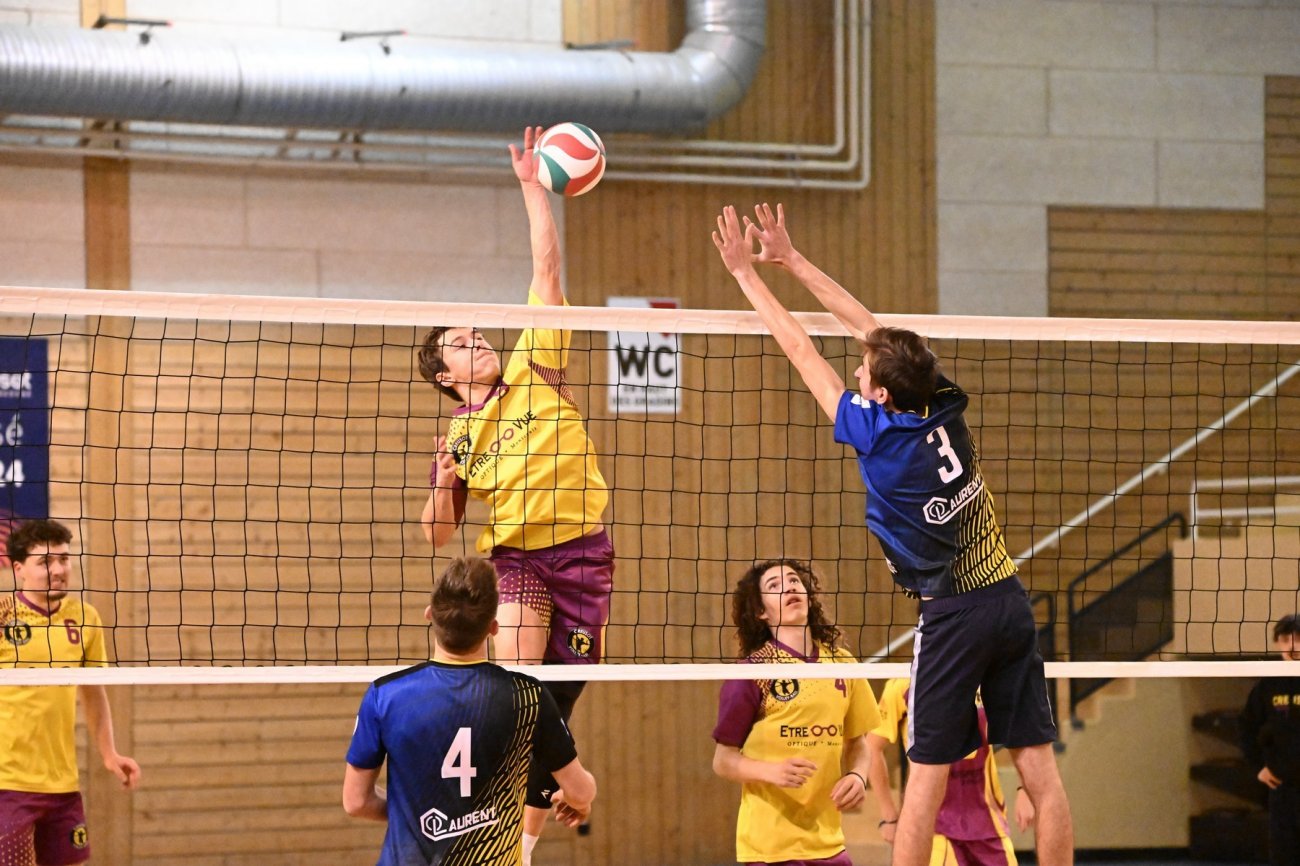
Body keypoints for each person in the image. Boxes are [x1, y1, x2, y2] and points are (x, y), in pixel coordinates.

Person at [712, 203, 1072, 866]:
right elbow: (872, 330)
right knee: (1042, 777)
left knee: (923, 787)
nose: (857, 371)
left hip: (953, 615)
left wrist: (747, 275)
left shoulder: (879, 439)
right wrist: (793, 259)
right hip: (1009, 600)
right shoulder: (942, 402)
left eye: (864, 375)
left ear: (879, 396)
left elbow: (801, 349)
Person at [417, 126, 614, 861]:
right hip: (518, 560)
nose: (479, 341)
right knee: (523, 687)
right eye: (461, 343)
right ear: (445, 376)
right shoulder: (459, 434)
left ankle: (524, 842)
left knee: (558, 701)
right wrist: (445, 482)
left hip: (586, 555)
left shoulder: (537, 364)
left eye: (477, 333)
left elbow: (546, 270)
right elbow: (438, 533)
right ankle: (496, 831)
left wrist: (534, 189)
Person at [343, 557, 596, 866]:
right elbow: (580, 791)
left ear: (430, 614)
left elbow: (356, 802)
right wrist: (578, 799)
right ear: (493, 627)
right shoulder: (529, 696)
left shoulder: (385, 695)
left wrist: (415, 817)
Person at [712, 558, 881, 865]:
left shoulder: (842, 663)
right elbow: (723, 760)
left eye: (794, 581)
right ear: (761, 611)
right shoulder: (754, 671)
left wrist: (858, 775)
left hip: (829, 842)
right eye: (774, 586)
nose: (788, 587)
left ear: (808, 596)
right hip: (771, 845)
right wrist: (771, 771)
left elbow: (858, 742)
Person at [0, 518, 141, 866]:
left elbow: (93, 692)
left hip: (62, 785)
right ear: (19, 569)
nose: (58, 569)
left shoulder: (85, 618)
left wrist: (109, 753)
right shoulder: (2, 617)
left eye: (63, 559)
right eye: (45, 562)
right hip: (7, 783)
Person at [866, 678, 1029, 866]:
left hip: (988, 824)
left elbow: (1021, 724)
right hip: (933, 828)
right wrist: (889, 815)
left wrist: (1024, 788)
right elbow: (872, 748)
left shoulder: (986, 674)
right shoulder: (903, 685)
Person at [1239, 613, 1300, 866]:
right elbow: (1246, 727)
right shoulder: (1268, 684)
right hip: (1282, 787)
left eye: (1298, 638)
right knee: (1284, 855)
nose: (1292, 646)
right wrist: (1258, 767)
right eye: (1285, 639)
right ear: (1278, 643)